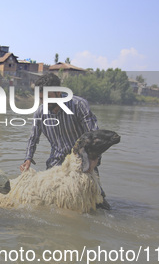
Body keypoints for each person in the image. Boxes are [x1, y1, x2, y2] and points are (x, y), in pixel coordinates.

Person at [20, 73, 110, 209]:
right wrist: (27, 159)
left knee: (97, 204)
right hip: (56, 163)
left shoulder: (78, 105)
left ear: (58, 92)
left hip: (82, 162)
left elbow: (94, 136)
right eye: (41, 98)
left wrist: (94, 160)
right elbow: (33, 138)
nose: (44, 102)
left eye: (47, 98)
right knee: (50, 204)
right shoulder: (39, 113)